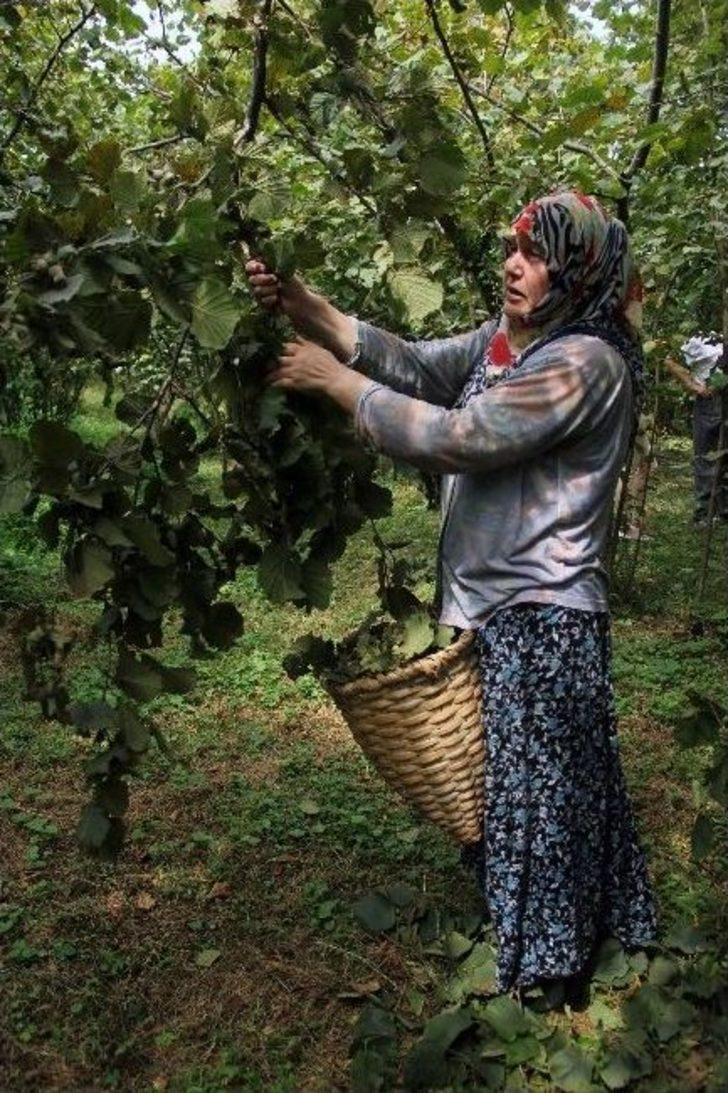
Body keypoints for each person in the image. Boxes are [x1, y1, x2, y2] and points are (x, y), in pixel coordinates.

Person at [246, 191, 657, 993]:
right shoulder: (516, 342)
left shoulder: (584, 363)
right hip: (499, 607)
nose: (513, 264)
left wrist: (337, 385)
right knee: (524, 787)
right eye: (513, 246)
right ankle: (561, 930)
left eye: (536, 255)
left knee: (544, 793)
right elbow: (420, 364)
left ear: (578, 271)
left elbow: (456, 437)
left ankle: (549, 971)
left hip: (545, 614)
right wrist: (312, 309)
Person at [664, 333, 727, 526]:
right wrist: (693, 384)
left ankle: (722, 512)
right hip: (711, 400)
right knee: (705, 456)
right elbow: (668, 359)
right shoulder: (704, 338)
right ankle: (705, 514)